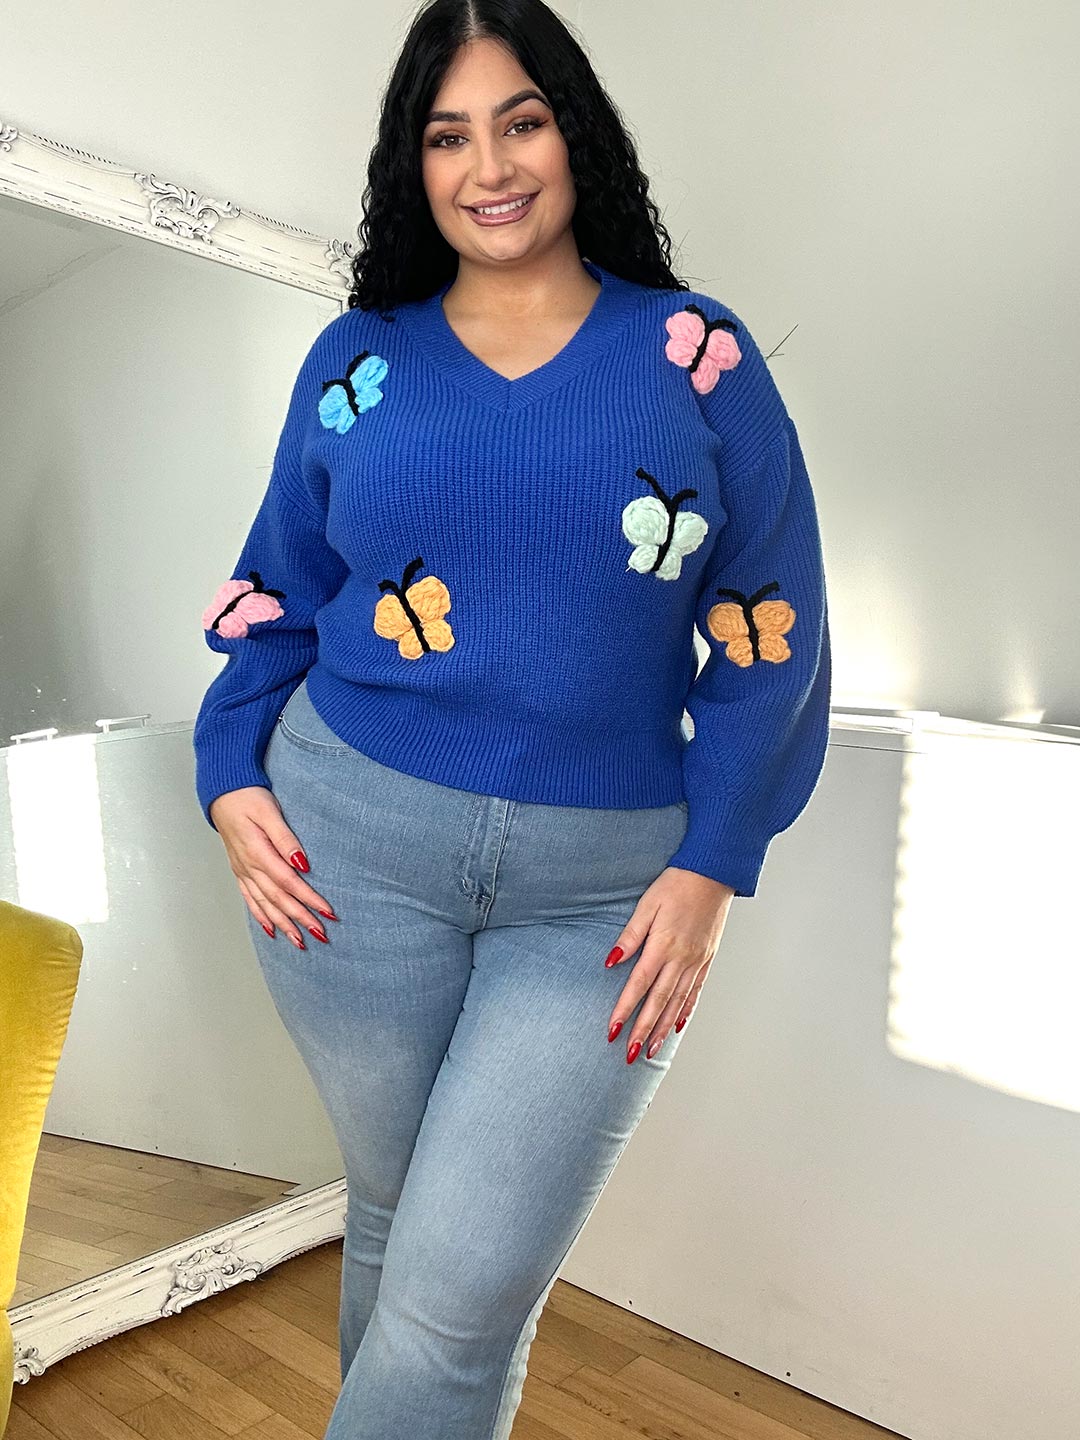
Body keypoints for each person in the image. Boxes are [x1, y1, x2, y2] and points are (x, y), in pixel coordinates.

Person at [191, 2, 832, 1435]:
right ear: (411, 166)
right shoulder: (362, 357)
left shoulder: (693, 355)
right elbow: (277, 586)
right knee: (398, 1222)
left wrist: (718, 855)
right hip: (345, 850)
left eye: (521, 119)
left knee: (455, 1302)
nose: (489, 163)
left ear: (575, 133)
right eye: (447, 133)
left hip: (603, 895)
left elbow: (766, 621)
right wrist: (228, 764)